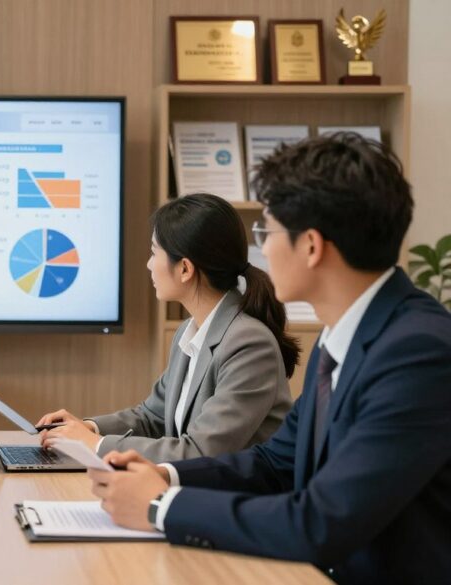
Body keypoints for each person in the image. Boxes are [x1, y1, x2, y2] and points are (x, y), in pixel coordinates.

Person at [88, 133, 451, 584]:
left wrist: (161, 506)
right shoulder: (340, 336)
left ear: (312, 246)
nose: (262, 250)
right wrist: (162, 474)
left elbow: (322, 521)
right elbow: (273, 464)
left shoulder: (417, 353)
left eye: (267, 231)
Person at [36, 193, 296, 462]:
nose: (149, 264)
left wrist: (96, 444)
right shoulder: (189, 332)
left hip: (239, 499)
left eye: (153, 252)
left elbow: (201, 452)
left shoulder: (249, 344)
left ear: (184, 268)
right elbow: (153, 418)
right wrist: (88, 428)